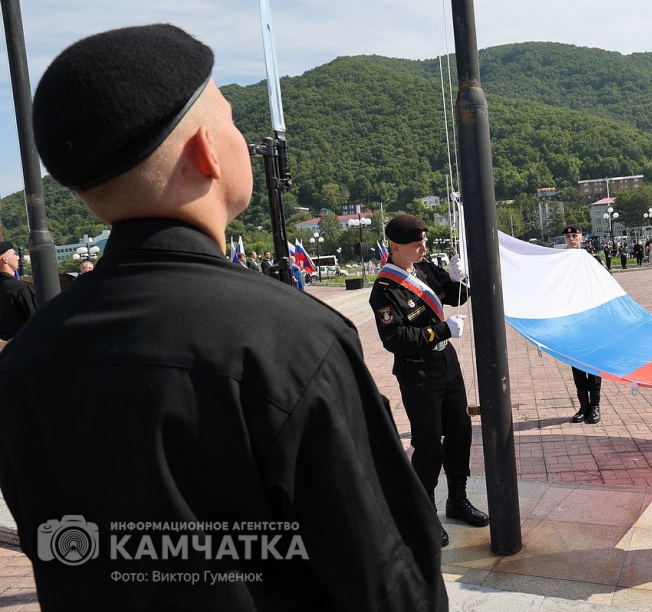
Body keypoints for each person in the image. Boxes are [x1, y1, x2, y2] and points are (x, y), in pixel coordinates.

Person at [0, 24, 446, 611]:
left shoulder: (27, 359)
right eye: (232, 119)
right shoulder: (290, 340)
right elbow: (390, 582)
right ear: (207, 151)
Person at [369, 213, 489, 548]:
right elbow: (396, 338)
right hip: (417, 369)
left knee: (460, 430)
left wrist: (460, 278)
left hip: (445, 361)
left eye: (424, 242)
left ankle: (457, 499)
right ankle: (423, 513)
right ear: (394, 246)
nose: (423, 248)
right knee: (427, 444)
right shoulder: (385, 289)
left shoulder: (423, 270)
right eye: (415, 244)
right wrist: (442, 330)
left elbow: (454, 294)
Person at [561, 225, 603, 424]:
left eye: (574, 236)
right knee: (577, 367)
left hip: (592, 321)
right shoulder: (560, 264)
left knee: (593, 366)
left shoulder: (593, 260)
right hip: (573, 322)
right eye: (568, 237)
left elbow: (606, 283)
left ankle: (595, 406)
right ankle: (583, 407)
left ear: (582, 238)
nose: (571, 239)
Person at [0, 241, 37, 350]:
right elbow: (36, 321)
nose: (17, 258)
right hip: (26, 348)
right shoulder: (21, 289)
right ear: (5, 259)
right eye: (14, 254)